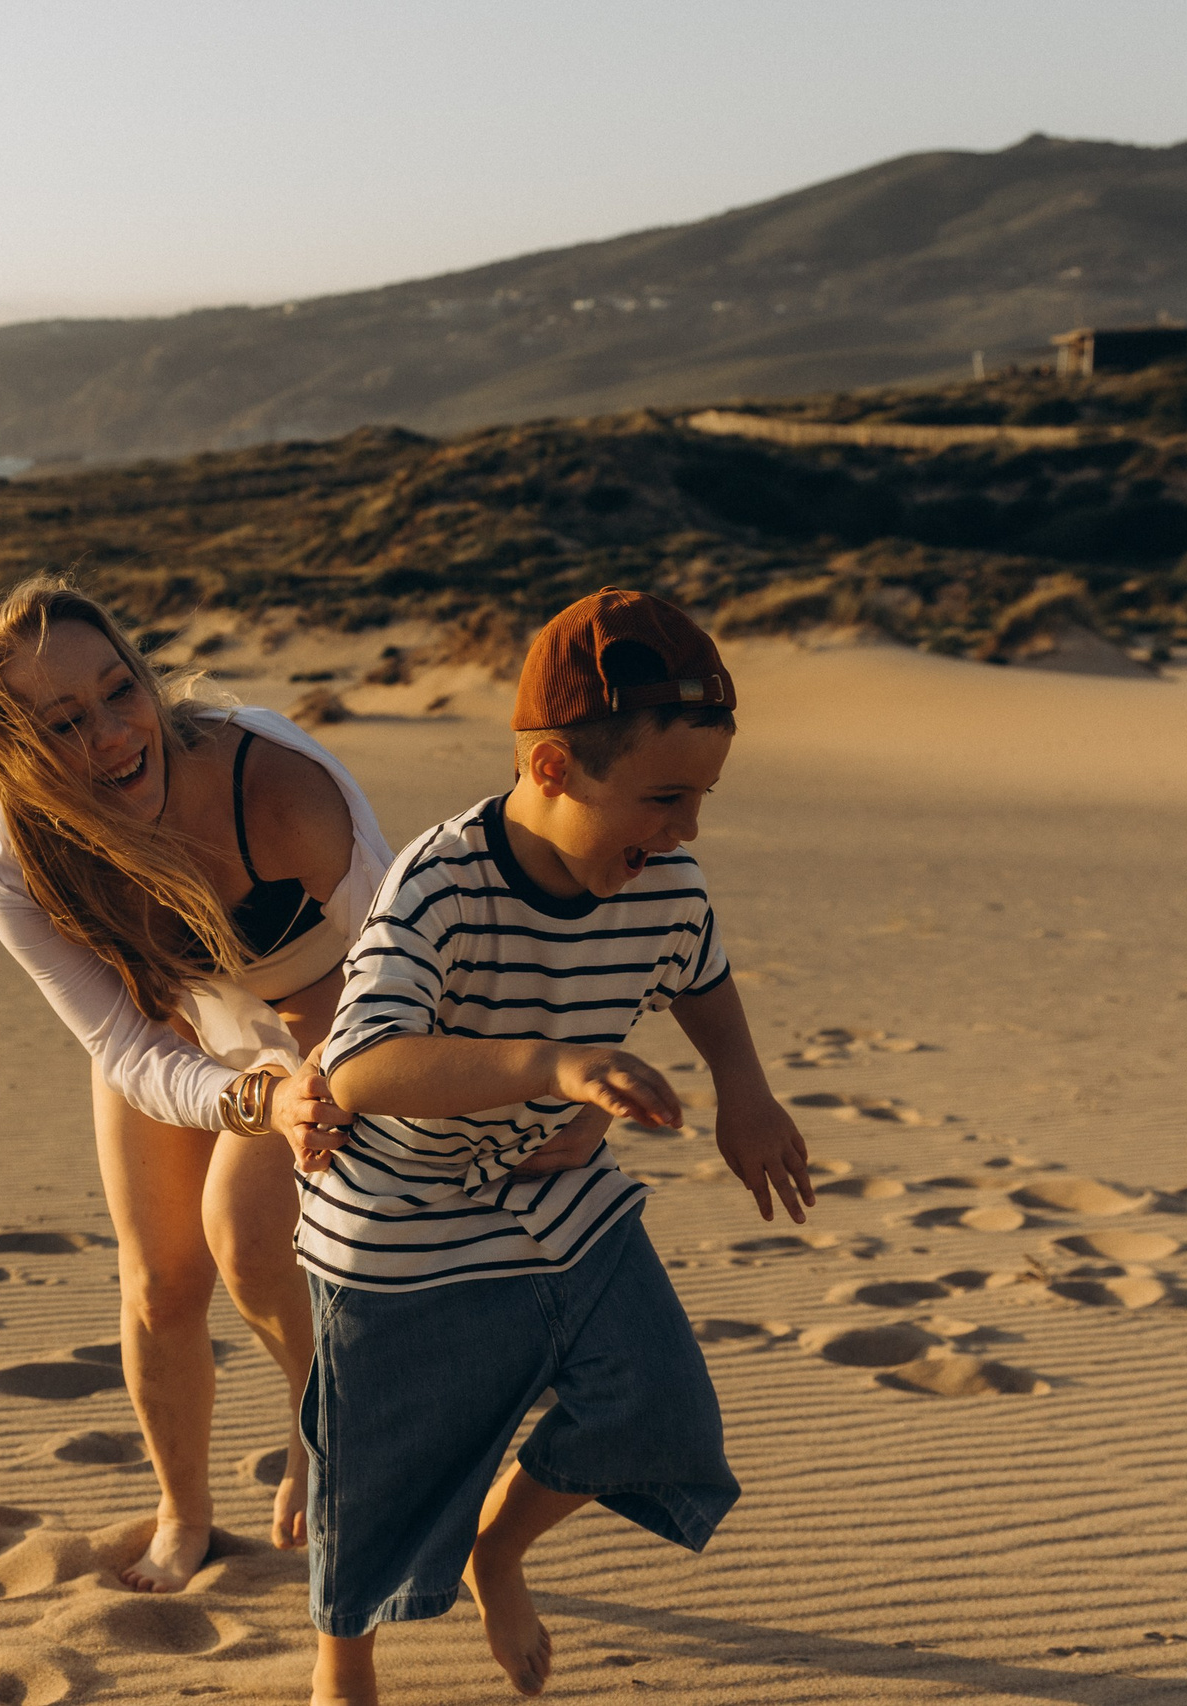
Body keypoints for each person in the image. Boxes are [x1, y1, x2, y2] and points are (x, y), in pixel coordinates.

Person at [303, 588, 814, 1703]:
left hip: (553, 1185)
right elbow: (361, 1066)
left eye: (702, 798)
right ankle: (342, 1659)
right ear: (548, 769)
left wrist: (746, 1093)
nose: (684, 830)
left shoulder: (663, 881)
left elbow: (703, 977)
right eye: (663, 796)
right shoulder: (439, 882)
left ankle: (498, 1546)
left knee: (660, 1408)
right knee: (379, 1466)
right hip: (402, 1215)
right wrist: (552, 1065)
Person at [0, 575, 396, 1593]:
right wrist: (245, 1096)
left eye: (121, 691)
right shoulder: (12, 862)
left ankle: (321, 1413)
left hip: (334, 1004)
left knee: (244, 1233)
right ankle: (182, 1512)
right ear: (18, 753)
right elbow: (126, 1046)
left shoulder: (279, 787)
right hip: (175, 1012)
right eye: (65, 721)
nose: (114, 735)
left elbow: (403, 961)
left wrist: (302, 1084)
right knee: (158, 1277)